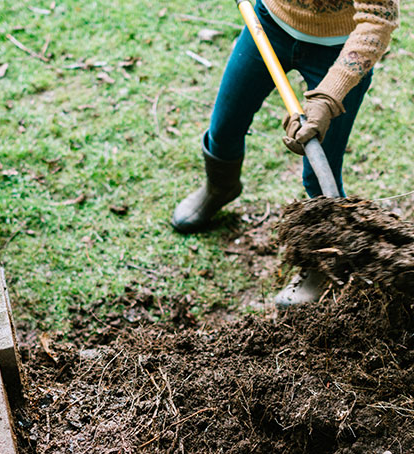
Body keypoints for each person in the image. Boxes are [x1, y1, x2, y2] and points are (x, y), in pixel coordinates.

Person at [169, 0, 399, 306]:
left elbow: (378, 19)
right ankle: (220, 188)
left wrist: (330, 97)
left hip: (339, 49)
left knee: (320, 172)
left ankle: (322, 259)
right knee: (224, 128)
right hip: (269, 24)